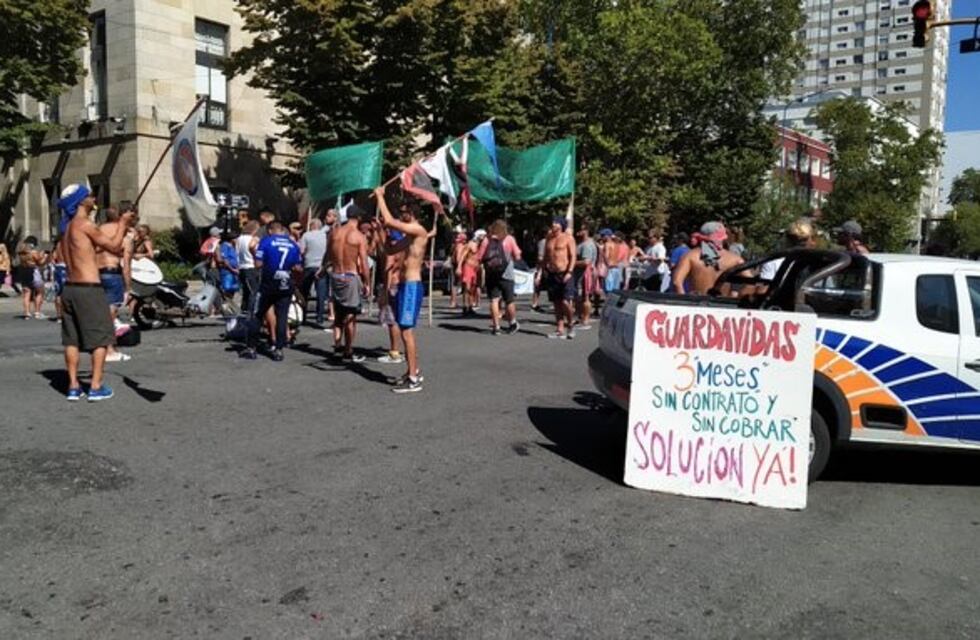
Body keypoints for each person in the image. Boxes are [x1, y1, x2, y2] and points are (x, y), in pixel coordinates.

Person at [58, 184, 136, 401]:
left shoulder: (67, 229)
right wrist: (122, 223)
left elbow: (84, 251)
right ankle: (95, 386)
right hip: (88, 289)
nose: (94, 198)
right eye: (90, 195)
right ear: (80, 201)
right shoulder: (85, 224)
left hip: (69, 289)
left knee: (71, 340)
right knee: (100, 339)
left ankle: (73, 386)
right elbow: (115, 247)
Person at [376, 188, 437, 393]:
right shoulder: (410, 236)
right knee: (404, 330)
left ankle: (413, 378)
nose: (401, 215)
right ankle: (413, 370)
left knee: (407, 332)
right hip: (403, 285)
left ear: (411, 213)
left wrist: (380, 196)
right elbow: (390, 250)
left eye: (403, 212)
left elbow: (390, 221)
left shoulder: (418, 230)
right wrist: (381, 233)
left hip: (411, 286)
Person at [241, 221, 302, 361]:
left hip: (268, 284)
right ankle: (279, 349)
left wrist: (261, 259)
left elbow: (258, 264)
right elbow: (298, 267)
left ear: (270, 230)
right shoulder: (293, 244)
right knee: (282, 316)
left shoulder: (266, 241)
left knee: (257, 314)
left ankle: (251, 348)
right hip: (286, 284)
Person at [327, 203, 371, 363]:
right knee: (351, 314)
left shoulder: (334, 232)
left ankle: (337, 344)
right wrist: (367, 282)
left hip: (336, 274)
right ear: (358, 218)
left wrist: (323, 268)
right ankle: (348, 349)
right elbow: (364, 262)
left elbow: (328, 254)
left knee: (339, 313)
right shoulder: (359, 236)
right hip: (350, 275)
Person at [97, 206, 134, 362]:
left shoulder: (98, 231)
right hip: (112, 273)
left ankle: (101, 348)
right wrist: (128, 288)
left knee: (101, 314)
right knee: (110, 316)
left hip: (96, 274)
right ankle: (109, 350)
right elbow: (126, 265)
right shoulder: (124, 235)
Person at [672, 222, 744, 295]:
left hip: (698, 300)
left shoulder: (690, 256)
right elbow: (749, 283)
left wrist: (686, 299)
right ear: (723, 238)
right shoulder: (736, 260)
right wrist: (735, 294)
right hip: (724, 301)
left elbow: (676, 282)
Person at [477, 219, 522, 335]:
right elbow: (517, 256)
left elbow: (479, 257)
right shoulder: (509, 239)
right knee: (509, 300)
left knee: (494, 300)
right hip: (507, 273)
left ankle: (496, 327)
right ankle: (512, 323)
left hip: (491, 274)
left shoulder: (487, 240)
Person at [539, 216, 577, 339]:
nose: (554, 224)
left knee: (565, 301)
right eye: (553, 222)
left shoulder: (568, 238)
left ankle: (570, 324)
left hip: (565, 272)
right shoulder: (549, 238)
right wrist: (541, 271)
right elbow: (546, 256)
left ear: (561, 225)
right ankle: (560, 328)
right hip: (552, 273)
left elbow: (573, 256)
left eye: (556, 223)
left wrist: (569, 272)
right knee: (556, 302)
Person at [299, 218, 329, 326]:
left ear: (311, 225)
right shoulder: (325, 236)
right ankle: (319, 316)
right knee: (321, 293)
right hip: (321, 266)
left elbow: (301, 251)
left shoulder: (306, 235)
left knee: (304, 292)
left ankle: (302, 315)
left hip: (309, 265)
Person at [573, 224, 598, 329]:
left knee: (585, 297)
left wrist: (572, 263)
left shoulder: (587, 245)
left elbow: (586, 262)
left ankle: (585, 320)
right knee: (580, 297)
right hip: (580, 274)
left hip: (585, 274)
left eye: (581, 229)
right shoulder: (582, 243)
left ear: (586, 231)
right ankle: (581, 318)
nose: (578, 231)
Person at [15, 236, 46, 318]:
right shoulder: (33, 253)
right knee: (40, 292)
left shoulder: (21, 253)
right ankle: (37, 312)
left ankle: (27, 313)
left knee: (26, 294)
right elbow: (40, 263)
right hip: (33, 273)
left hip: (24, 273)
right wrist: (43, 256)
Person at [457, 230, 484, 316]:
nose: (483, 238)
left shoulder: (482, 246)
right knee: (467, 287)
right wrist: (459, 267)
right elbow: (463, 256)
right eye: (482, 236)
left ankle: (470, 306)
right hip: (468, 267)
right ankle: (465, 306)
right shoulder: (470, 244)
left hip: (475, 269)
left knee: (473, 288)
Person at [237, 220, 260, 312]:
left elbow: (237, 252)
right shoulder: (253, 239)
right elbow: (255, 250)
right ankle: (251, 311)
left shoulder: (239, 239)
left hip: (241, 266)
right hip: (251, 266)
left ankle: (244, 309)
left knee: (246, 291)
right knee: (253, 291)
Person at [216, 231, 240, 300]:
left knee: (233, 289)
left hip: (234, 270)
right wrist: (232, 269)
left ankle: (229, 301)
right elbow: (225, 260)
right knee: (227, 288)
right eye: (236, 239)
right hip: (228, 271)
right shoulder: (225, 246)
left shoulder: (233, 247)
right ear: (232, 239)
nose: (237, 240)